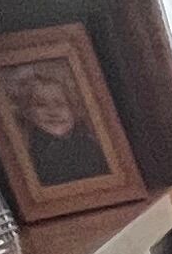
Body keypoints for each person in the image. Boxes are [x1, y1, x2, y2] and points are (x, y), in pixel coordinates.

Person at [11, 56, 113, 190]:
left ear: (74, 109)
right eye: (41, 105)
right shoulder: (29, 153)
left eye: (60, 104)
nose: (52, 112)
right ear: (27, 111)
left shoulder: (90, 145)